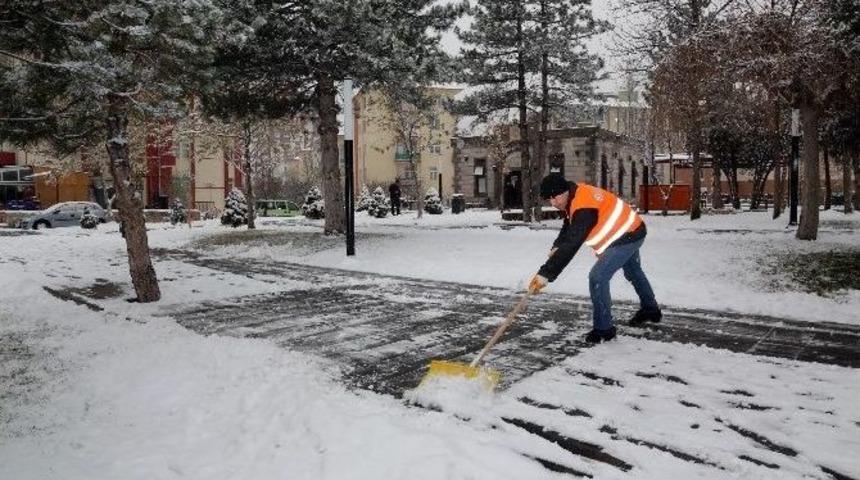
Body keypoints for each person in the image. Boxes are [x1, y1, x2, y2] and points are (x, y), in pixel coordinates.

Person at [527, 174, 661, 344]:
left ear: (564, 191)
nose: (553, 203)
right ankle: (651, 310)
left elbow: (573, 242)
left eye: (555, 197)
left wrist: (545, 273)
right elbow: (569, 223)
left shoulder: (584, 205)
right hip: (630, 229)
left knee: (598, 277)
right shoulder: (574, 196)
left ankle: (604, 329)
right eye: (549, 199)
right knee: (633, 271)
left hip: (628, 235)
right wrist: (557, 244)